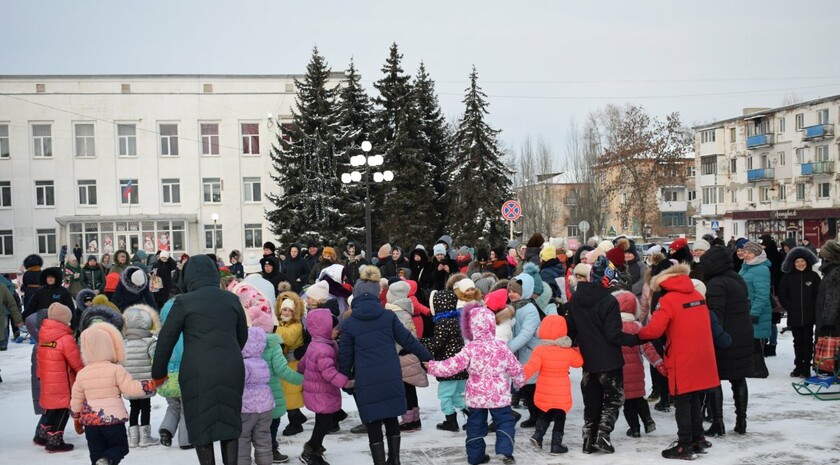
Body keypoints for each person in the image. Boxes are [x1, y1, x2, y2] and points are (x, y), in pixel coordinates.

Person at [151, 255, 249, 465]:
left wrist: (158, 374)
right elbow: (243, 335)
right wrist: (229, 354)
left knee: (200, 423)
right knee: (229, 422)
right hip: (230, 368)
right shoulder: (231, 299)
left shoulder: (184, 302)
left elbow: (166, 340)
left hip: (197, 371)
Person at [338, 266, 433, 465]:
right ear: (377, 293)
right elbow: (409, 340)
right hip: (390, 375)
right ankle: (395, 460)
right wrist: (427, 357)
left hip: (366, 379)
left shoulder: (349, 323)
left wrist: (344, 377)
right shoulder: (388, 317)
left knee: (373, 422)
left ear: (355, 295)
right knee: (391, 418)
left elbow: (345, 355)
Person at [635, 262, 721, 460]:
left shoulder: (668, 300)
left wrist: (638, 333)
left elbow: (654, 330)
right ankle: (697, 438)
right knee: (694, 398)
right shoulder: (697, 296)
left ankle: (684, 444)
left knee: (682, 400)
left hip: (681, 355)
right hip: (702, 354)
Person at [426, 302, 525, 465]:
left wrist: (432, 366)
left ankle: (475, 456)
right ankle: (504, 451)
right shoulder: (501, 347)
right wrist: (520, 382)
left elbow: (452, 365)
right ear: (492, 325)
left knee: (475, 425)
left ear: (471, 327)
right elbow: (515, 367)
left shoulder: (470, 349)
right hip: (498, 395)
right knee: (505, 422)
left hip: (476, 396)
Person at [565, 256, 637, 454]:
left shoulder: (576, 299)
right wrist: (636, 338)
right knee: (614, 398)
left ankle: (588, 440)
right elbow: (613, 335)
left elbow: (571, 330)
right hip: (610, 360)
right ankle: (603, 435)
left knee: (592, 399)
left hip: (588, 360)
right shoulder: (609, 301)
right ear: (608, 279)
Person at [70, 322, 158, 465]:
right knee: (120, 447)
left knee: (96, 454)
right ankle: (108, 459)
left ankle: (102, 460)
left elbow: (76, 400)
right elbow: (131, 389)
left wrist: (76, 418)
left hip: (91, 422)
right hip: (112, 421)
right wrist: (150, 384)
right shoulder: (116, 369)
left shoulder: (82, 374)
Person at [698, 245, 753, 437]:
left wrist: (712, 339)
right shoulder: (737, 278)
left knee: (714, 380)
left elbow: (715, 315)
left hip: (725, 338)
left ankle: (717, 423)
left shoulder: (716, 284)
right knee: (738, 378)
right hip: (743, 336)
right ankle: (741, 421)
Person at [297, 308, 353, 465]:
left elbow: (302, 365)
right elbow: (330, 373)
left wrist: (306, 371)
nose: (337, 331)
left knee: (323, 423)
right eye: (335, 328)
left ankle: (316, 447)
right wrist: (346, 382)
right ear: (325, 330)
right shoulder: (323, 349)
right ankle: (310, 451)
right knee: (324, 424)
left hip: (318, 391)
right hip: (322, 392)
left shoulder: (317, 344)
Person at [521, 314, 584, 455]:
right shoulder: (567, 351)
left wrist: (520, 377)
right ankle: (556, 445)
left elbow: (531, 367)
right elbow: (578, 362)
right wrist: (577, 349)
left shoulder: (540, 350)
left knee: (545, 414)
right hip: (561, 392)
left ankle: (538, 436)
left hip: (544, 390)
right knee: (560, 418)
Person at [613, 290, 664, 439]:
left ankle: (634, 428)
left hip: (620, 370)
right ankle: (648, 420)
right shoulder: (637, 327)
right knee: (639, 397)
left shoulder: (614, 326)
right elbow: (648, 349)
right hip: (636, 369)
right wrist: (658, 363)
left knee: (628, 401)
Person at [35, 303, 84, 452]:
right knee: (63, 410)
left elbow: (39, 359)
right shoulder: (65, 338)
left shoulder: (44, 335)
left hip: (48, 380)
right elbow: (76, 362)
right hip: (63, 383)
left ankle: (41, 435)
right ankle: (55, 441)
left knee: (51, 409)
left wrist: (39, 376)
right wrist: (83, 373)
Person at [421, 290, 468, 433]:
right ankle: (473, 417)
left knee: (445, 395)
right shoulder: (457, 320)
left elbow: (437, 344)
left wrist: (421, 342)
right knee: (457, 394)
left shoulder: (443, 322)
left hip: (448, 366)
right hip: (460, 365)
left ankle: (451, 421)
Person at [122, 304, 161, 448]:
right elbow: (154, 358)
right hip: (146, 382)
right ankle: (145, 437)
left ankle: (133, 439)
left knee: (134, 407)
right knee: (145, 407)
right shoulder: (149, 342)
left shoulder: (124, 343)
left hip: (130, 383)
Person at [777, 247, 821, 378]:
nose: (800, 264)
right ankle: (798, 366)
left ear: (807, 262)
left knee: (808, 341)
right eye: (797, 262)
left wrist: (813, 308)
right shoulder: (788, 277)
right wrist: (790, 306)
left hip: (809, 315)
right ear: (793, 263)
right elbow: (782, 294)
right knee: (797, 341)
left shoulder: (813, 276)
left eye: (802, 261)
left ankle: (806, 366)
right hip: (794, 315)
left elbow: (817, 295)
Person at [156, 298, 192, 450]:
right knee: (186, 408)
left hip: (167, 377)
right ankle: (185, 440)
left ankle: (166, 429)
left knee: (173, 405)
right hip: (183, 375)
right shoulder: (187, 334)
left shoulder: (163, 335)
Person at [275, 291, 308, 437]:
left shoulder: (297, 325)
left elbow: (287, 337)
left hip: (293, 364)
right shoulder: (281, 323)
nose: (287, 312)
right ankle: (298, 416)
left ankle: (295, 423)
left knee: (291, 393)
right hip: (285, 363)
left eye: (290, 310)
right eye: (284, 309)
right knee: (287, 392)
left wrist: (272, 328)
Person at [739, 241, 772, 378]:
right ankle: (753, 368)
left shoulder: (761, 269)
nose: (746, 255)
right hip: (747, 310)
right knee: (751, 340)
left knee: (755, 341)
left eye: (750, 253)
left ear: (757, 254)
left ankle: (759, 370)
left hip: (756, 311)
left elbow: (762, 294)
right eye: (745, 252)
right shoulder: (747, 267)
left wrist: (755, 312)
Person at [815, 240, 840, 371]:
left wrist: (828, 321)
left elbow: (833, 298)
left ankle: (831, 371)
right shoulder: (831, 271)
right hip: (831, 319)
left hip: (833, 321)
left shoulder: (834, 273)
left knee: (833, 349)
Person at [0, 278, 23, 351]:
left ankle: (3, 345)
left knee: (3, 328)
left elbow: (12, 304)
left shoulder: (2, 287)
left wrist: (18, 320)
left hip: (2, 316)